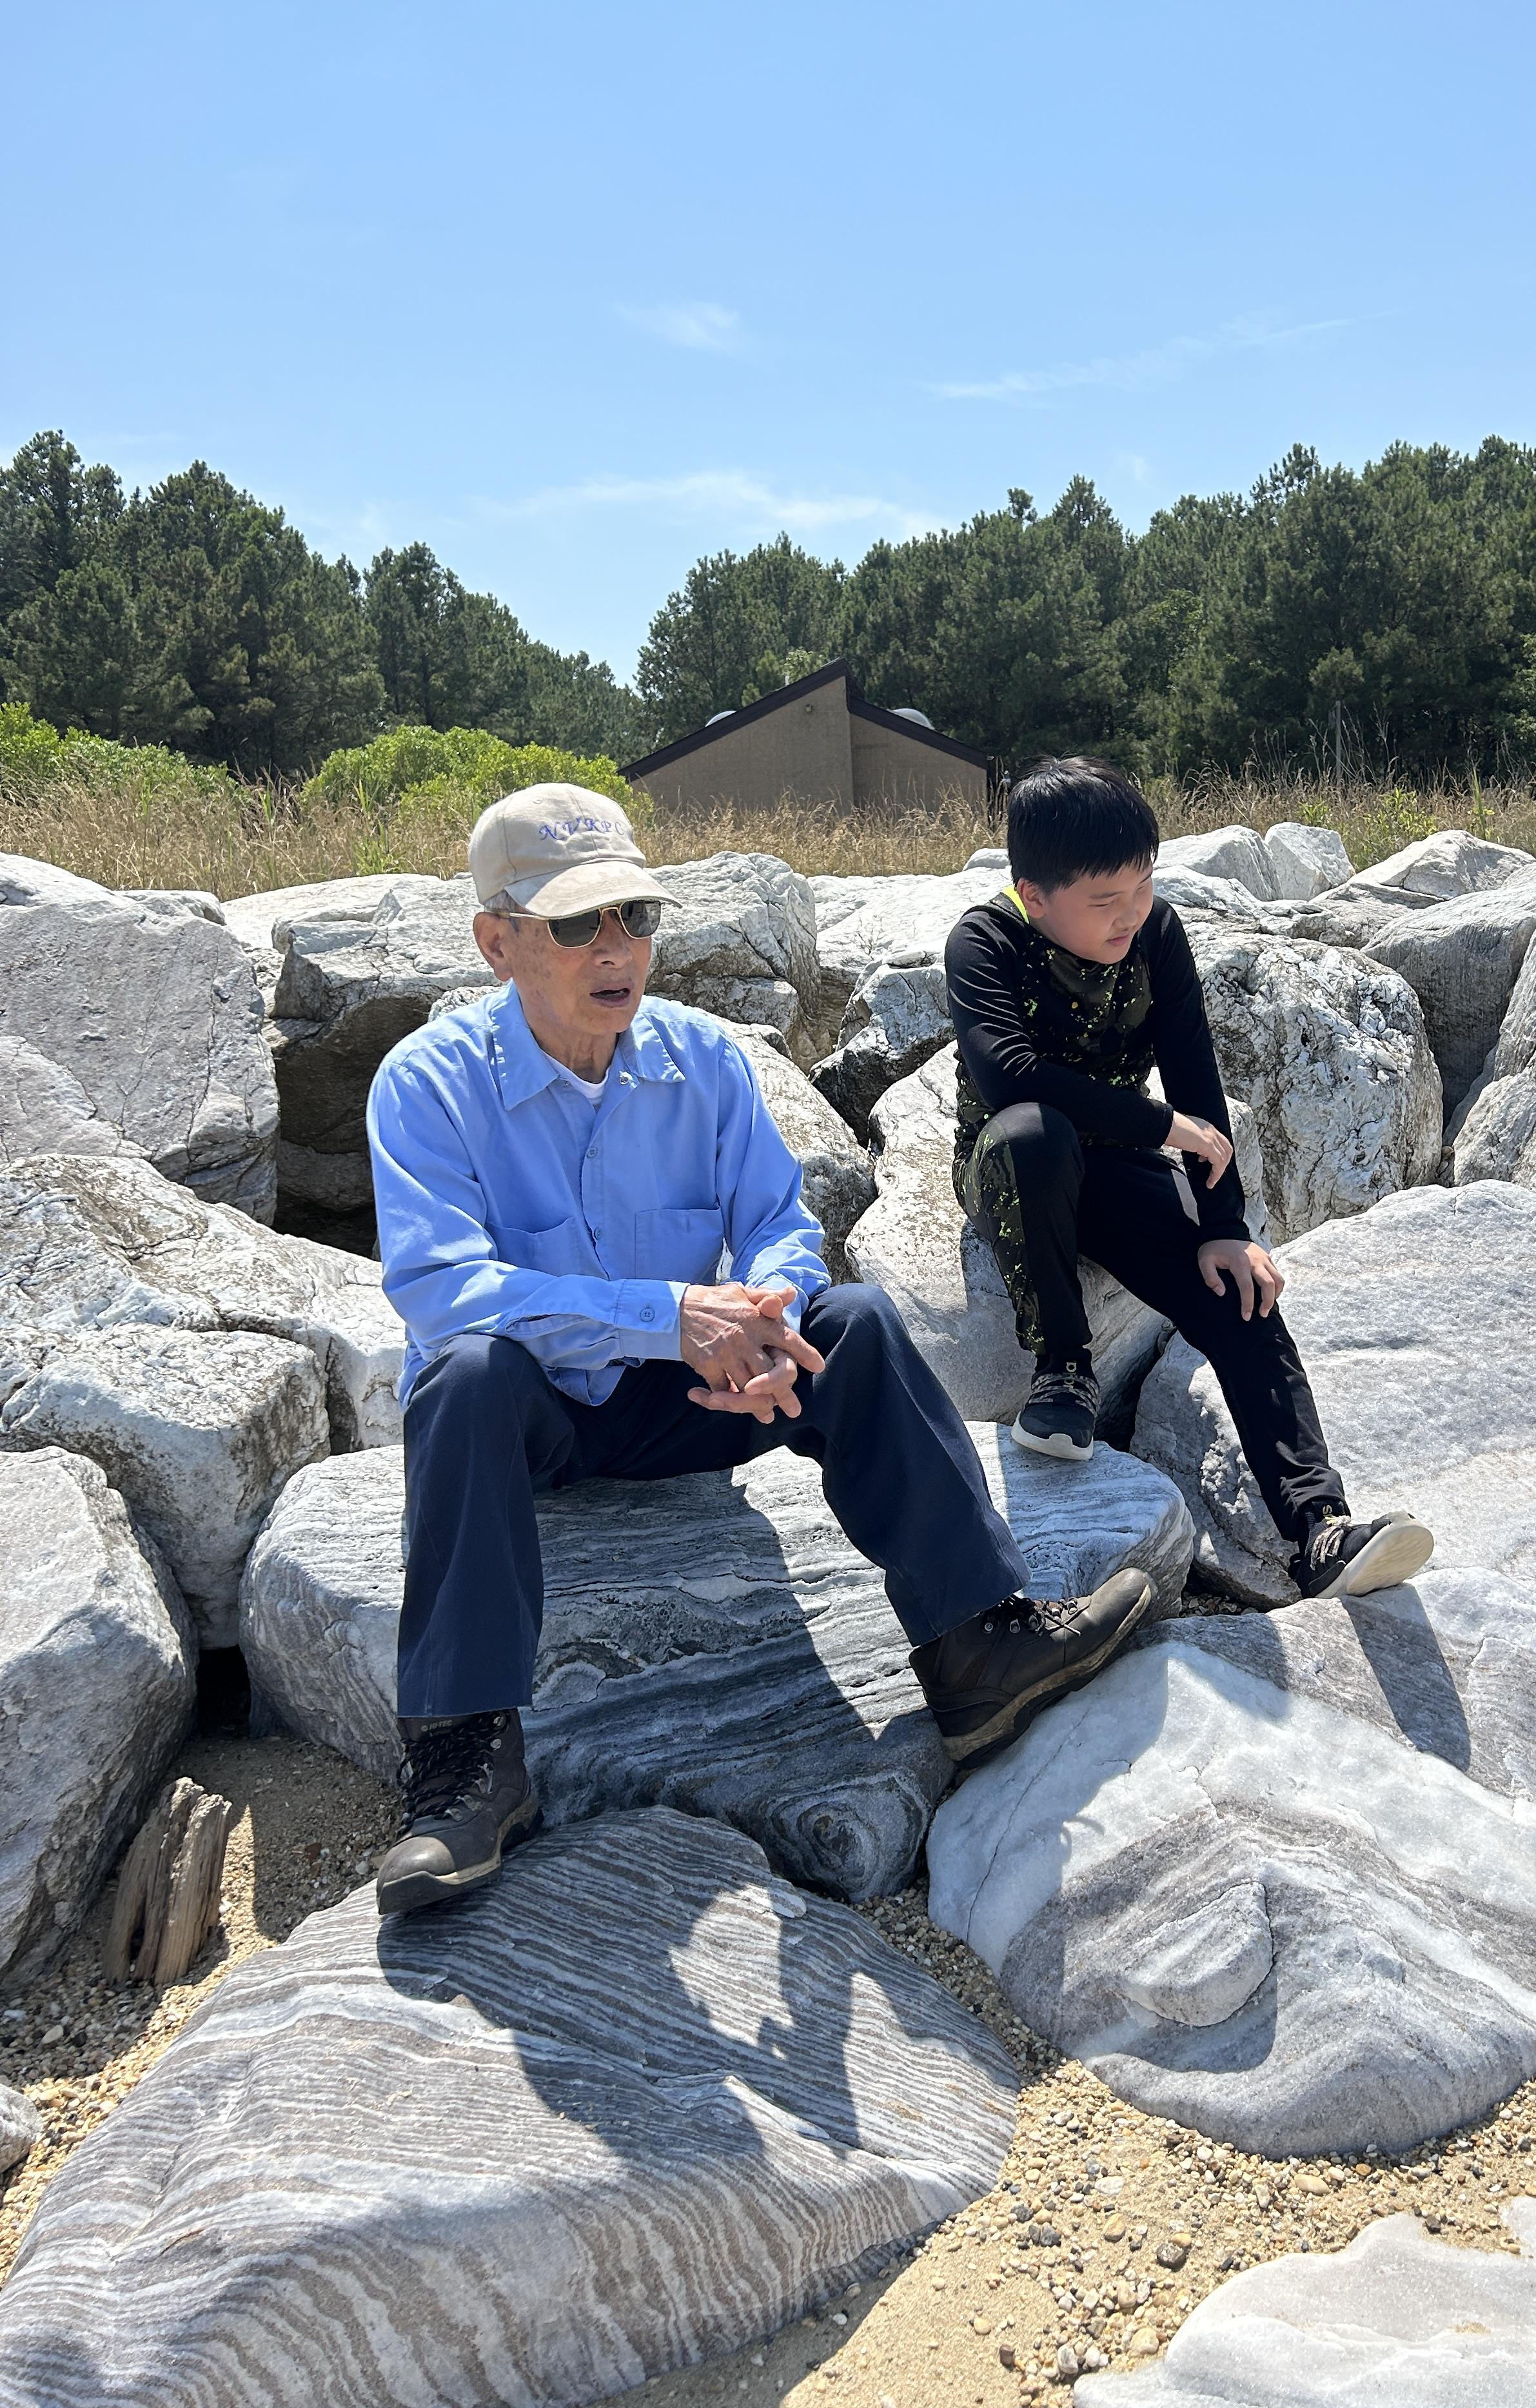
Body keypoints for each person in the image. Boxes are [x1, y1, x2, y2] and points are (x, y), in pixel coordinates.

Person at [364, 782, 1154, 1916]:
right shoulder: (427, 1085)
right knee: (465, 1374)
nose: (617, 948)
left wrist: (771, 1326)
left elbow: (781, 1223)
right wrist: (673, 1316)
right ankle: (463, 1760)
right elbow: (442, 1292)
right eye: (577, 924)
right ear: (498, 944)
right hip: (536, 1427)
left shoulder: (707, 1062)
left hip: (703, 1398)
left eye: (636, 915)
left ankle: (978, 1646)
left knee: (858, 1324)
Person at [944, 755, 1433, 1604]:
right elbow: (1011, 1078)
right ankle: (1064, 1370)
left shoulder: (1157, 936)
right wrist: (1160, 1126)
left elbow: (1196, 1081)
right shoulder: (984, 943)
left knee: (1239, 1294)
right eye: (1106, 900)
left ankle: (1318, 1528)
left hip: (1115, 1163)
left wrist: (1225, 1227)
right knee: (1036, 1134)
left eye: (1143, 886)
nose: (1132, 913)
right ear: (1034, 896)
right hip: (1012, 1163)